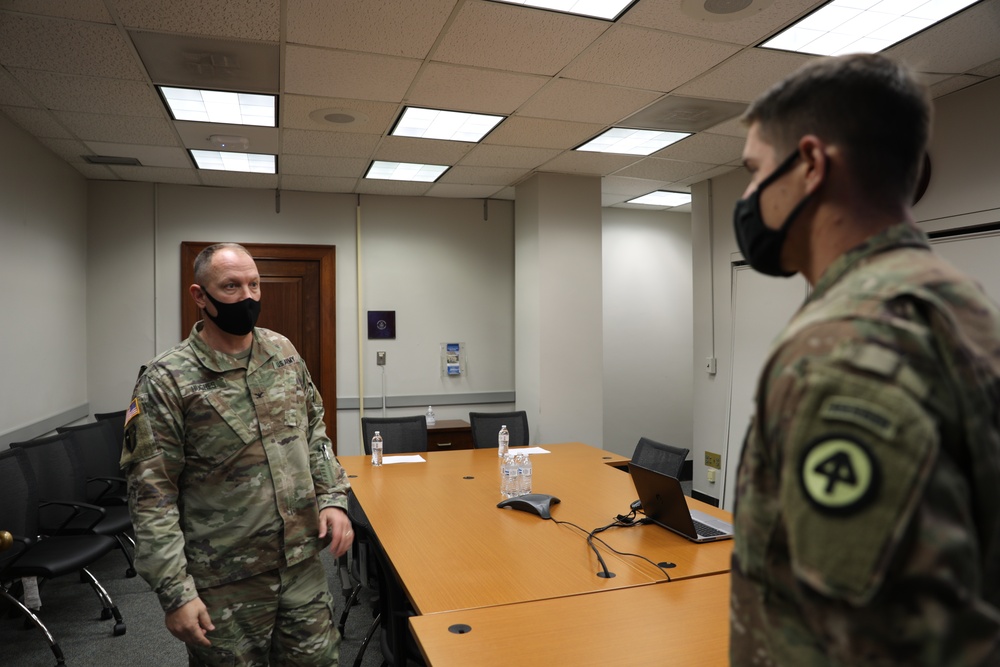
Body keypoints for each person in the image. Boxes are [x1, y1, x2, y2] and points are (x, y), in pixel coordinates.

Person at [730, 53, 1000, 665]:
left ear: (811, 165)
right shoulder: (962, 306)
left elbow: (889, 644)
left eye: (754, 172)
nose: (747, 197)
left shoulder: (840, 351)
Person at [121, 243, 354, 666]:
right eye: (230, 286)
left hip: (300, 564)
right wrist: (175, 593)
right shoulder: (167, 379)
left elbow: (314, 430)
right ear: (199, 296)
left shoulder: (281, 352)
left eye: (253, 284)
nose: (247, 297)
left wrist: (333, 498)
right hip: (224, 580)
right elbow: (151, 496)